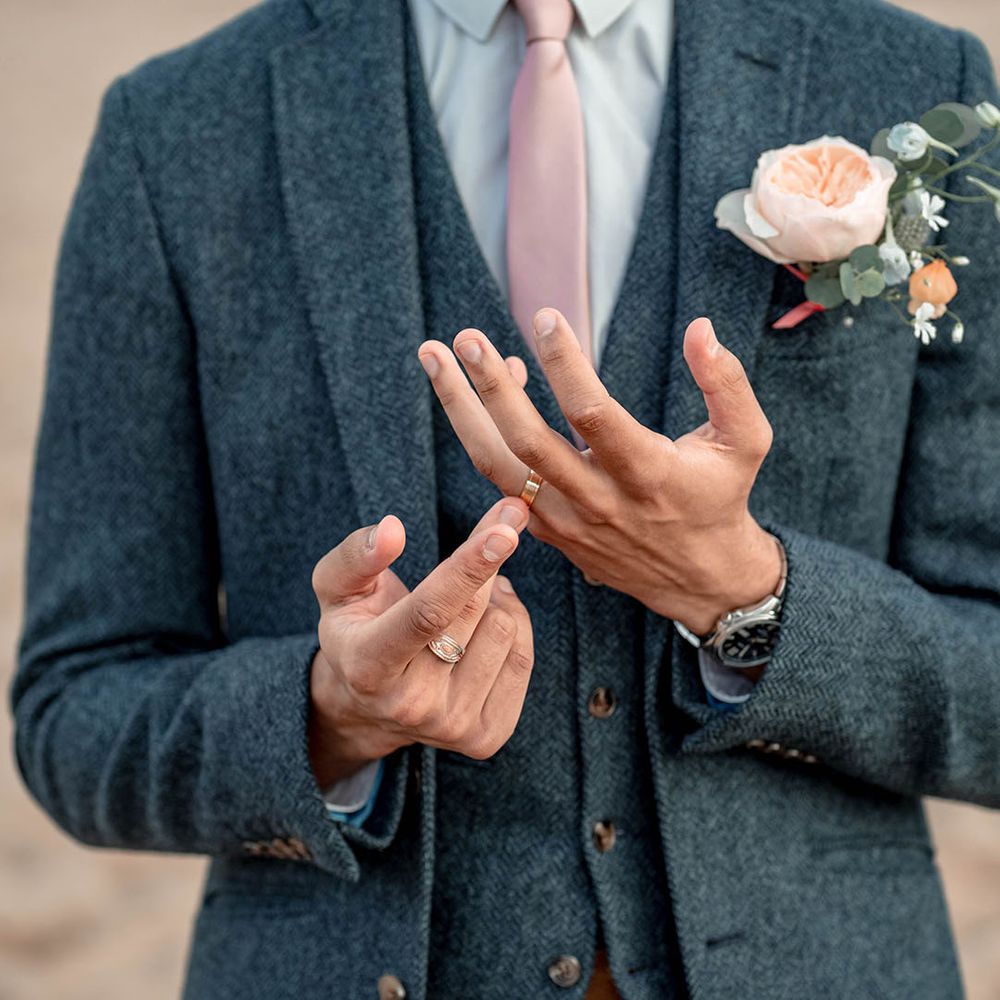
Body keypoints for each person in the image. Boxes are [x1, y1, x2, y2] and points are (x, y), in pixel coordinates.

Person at [12, 0, 1000, 997]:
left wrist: (749, 598)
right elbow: (73, 710)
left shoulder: (917, 81)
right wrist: (327, 717)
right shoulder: (179, 125)